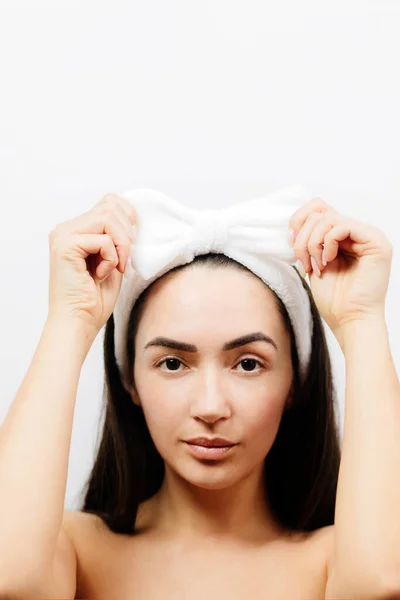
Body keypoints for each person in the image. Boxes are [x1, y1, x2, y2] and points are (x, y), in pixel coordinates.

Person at [0, 191, 396, 599]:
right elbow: (9, 578)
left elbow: (381, 583)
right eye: (172, 363)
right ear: (129, 379)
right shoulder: (74, 551)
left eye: (248, 364)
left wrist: (361, 320)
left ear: (296, 380)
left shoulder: (335, 562)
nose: (210, 407)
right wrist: (71, 317)